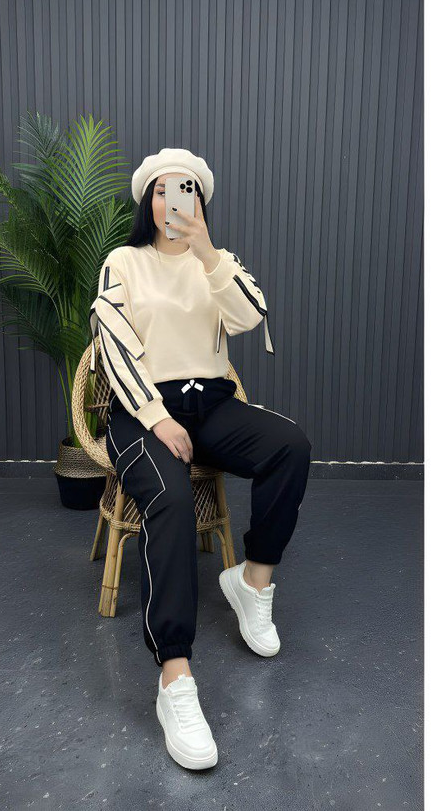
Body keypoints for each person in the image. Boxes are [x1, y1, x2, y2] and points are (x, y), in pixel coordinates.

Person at [88, 147, 312, 770]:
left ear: (201, 202)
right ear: (147, 202)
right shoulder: (123, 262)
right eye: (161, 190)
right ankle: (175, 677)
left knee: (290, 445)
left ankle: (252, 582)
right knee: (172, 495)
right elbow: (112, 342)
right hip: (141, 412)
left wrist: (209, 253)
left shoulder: (216, 263)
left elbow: (251, 316)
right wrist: (155, 417)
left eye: (184, 190)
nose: (172, 201)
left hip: (210, 404)